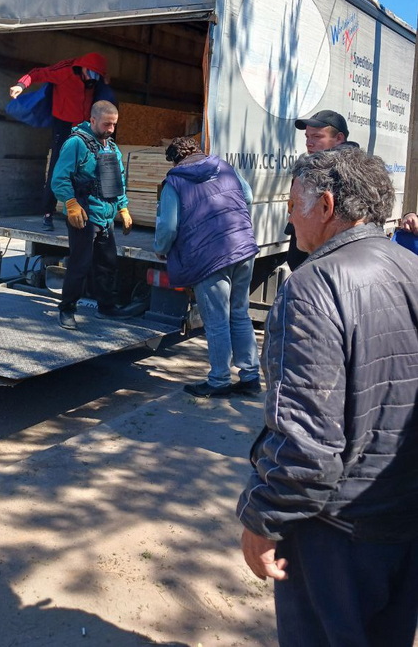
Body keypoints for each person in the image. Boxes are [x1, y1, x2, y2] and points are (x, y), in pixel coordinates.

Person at [237, 147, 418, 647]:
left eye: (294, 202)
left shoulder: (313, 287)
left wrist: (262, 517)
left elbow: (309, 443)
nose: (289, 214)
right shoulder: (412, 269)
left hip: (337, 532)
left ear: (327, 205)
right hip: (403, 518)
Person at [154, 137, 260, 398]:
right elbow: (247, 196)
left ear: (175, 159)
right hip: (242, 246)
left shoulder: (175, 182)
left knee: (216, 320)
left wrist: (161, 248)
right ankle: (250, 376)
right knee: (239, 312)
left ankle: (219, 380)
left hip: (208, 256)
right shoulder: (225, 167)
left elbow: (168, 227)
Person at [51, 100, 132, 330]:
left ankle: (106, 307)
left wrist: (123, 208)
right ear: (93, 120)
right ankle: (67, 310)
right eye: (107, 124)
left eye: (114, 125)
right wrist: (70, 203)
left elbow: (119, 180)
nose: (111, 129)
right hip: (84, 215)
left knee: (108, 264)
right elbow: (59, 177)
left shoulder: (111, 147)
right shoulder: (76, 143)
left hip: (106, 216)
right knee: (80, 264)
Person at [9, 52, 110, 231]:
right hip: (62, 125)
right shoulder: (64, 72)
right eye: (90, 73)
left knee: (84, 169)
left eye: (96, 76)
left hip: (84, 127)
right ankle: (48, 213)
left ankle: (83, 211)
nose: (91, 79)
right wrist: (20, 85)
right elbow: (36, 73)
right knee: (58, 168)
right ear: (83, 68)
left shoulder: (95, 82)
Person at [286, 109, 352, 270]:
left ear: (339, 138)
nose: (309, 143)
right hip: (303, 256)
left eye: (317, 137)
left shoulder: (350, 171)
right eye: (307, 137)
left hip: (328, 262)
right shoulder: (305, 166)